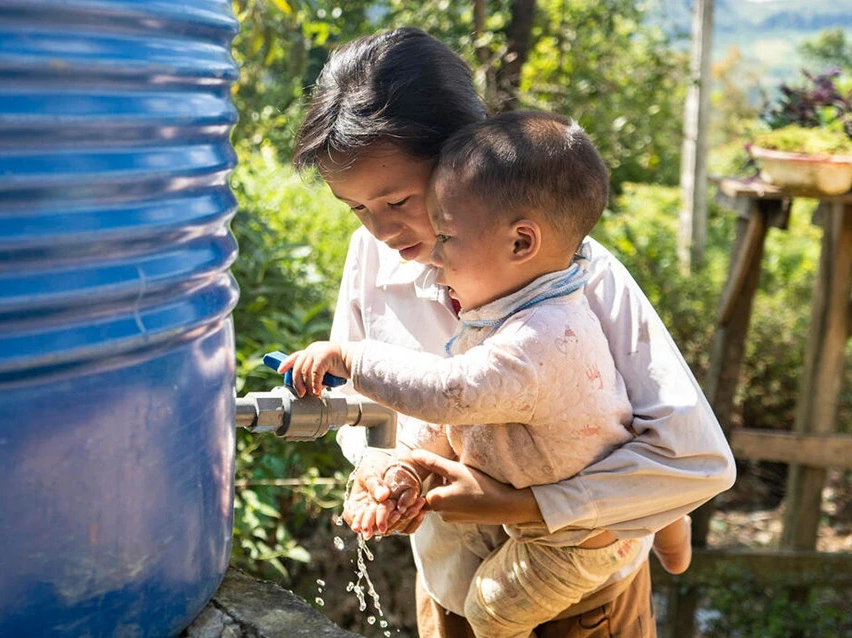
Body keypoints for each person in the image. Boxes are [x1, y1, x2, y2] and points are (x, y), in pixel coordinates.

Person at [280, 27, 734, 637]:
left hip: (583, 606)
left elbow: (694, 460)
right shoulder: (372, 256)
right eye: (357, 208)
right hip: (449, 591)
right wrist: (385, 471)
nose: (382, 230)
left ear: (461, 159)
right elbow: (365, 409)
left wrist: (522, 506)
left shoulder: (573, 276)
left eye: (400, 201)